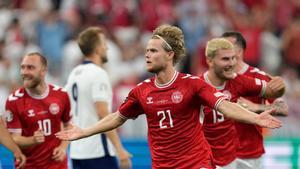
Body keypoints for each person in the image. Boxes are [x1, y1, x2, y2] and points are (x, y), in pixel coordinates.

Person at [56, 24, 282, 169]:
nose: (147, 54)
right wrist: (84, 131)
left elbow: (224, 106)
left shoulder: (192, 84)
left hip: (197, 164)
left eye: (153, 50)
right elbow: (117, 117)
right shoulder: (141, 91)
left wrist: (255, 118)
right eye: (147, 50)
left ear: (169, 55)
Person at [200, 38, 285, 169]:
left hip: (231, 159)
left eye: (233, 58)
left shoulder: (239, 81)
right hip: (204, 159)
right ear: (210, 61)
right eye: (225, 59)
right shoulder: (197, 86)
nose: (232, 63)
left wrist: (281, 86)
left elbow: (274, 92)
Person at [64, 27, 132, 169]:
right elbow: (103, 114)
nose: (106, 47)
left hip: (77, 152)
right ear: (96, 48)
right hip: (97, 152)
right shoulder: (98, 73)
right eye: (103, 43)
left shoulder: (74, 73)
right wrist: (119, 150)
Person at [4, 52, 72, 169]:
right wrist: (32, 140)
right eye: (22, 67)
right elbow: (13, 138)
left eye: (30, 68)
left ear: (43, 71)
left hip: (58, 165)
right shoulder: (13, 101)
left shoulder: (61, 95)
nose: (24, 72)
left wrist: (63, 147)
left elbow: (68, 125)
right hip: (29, 166)